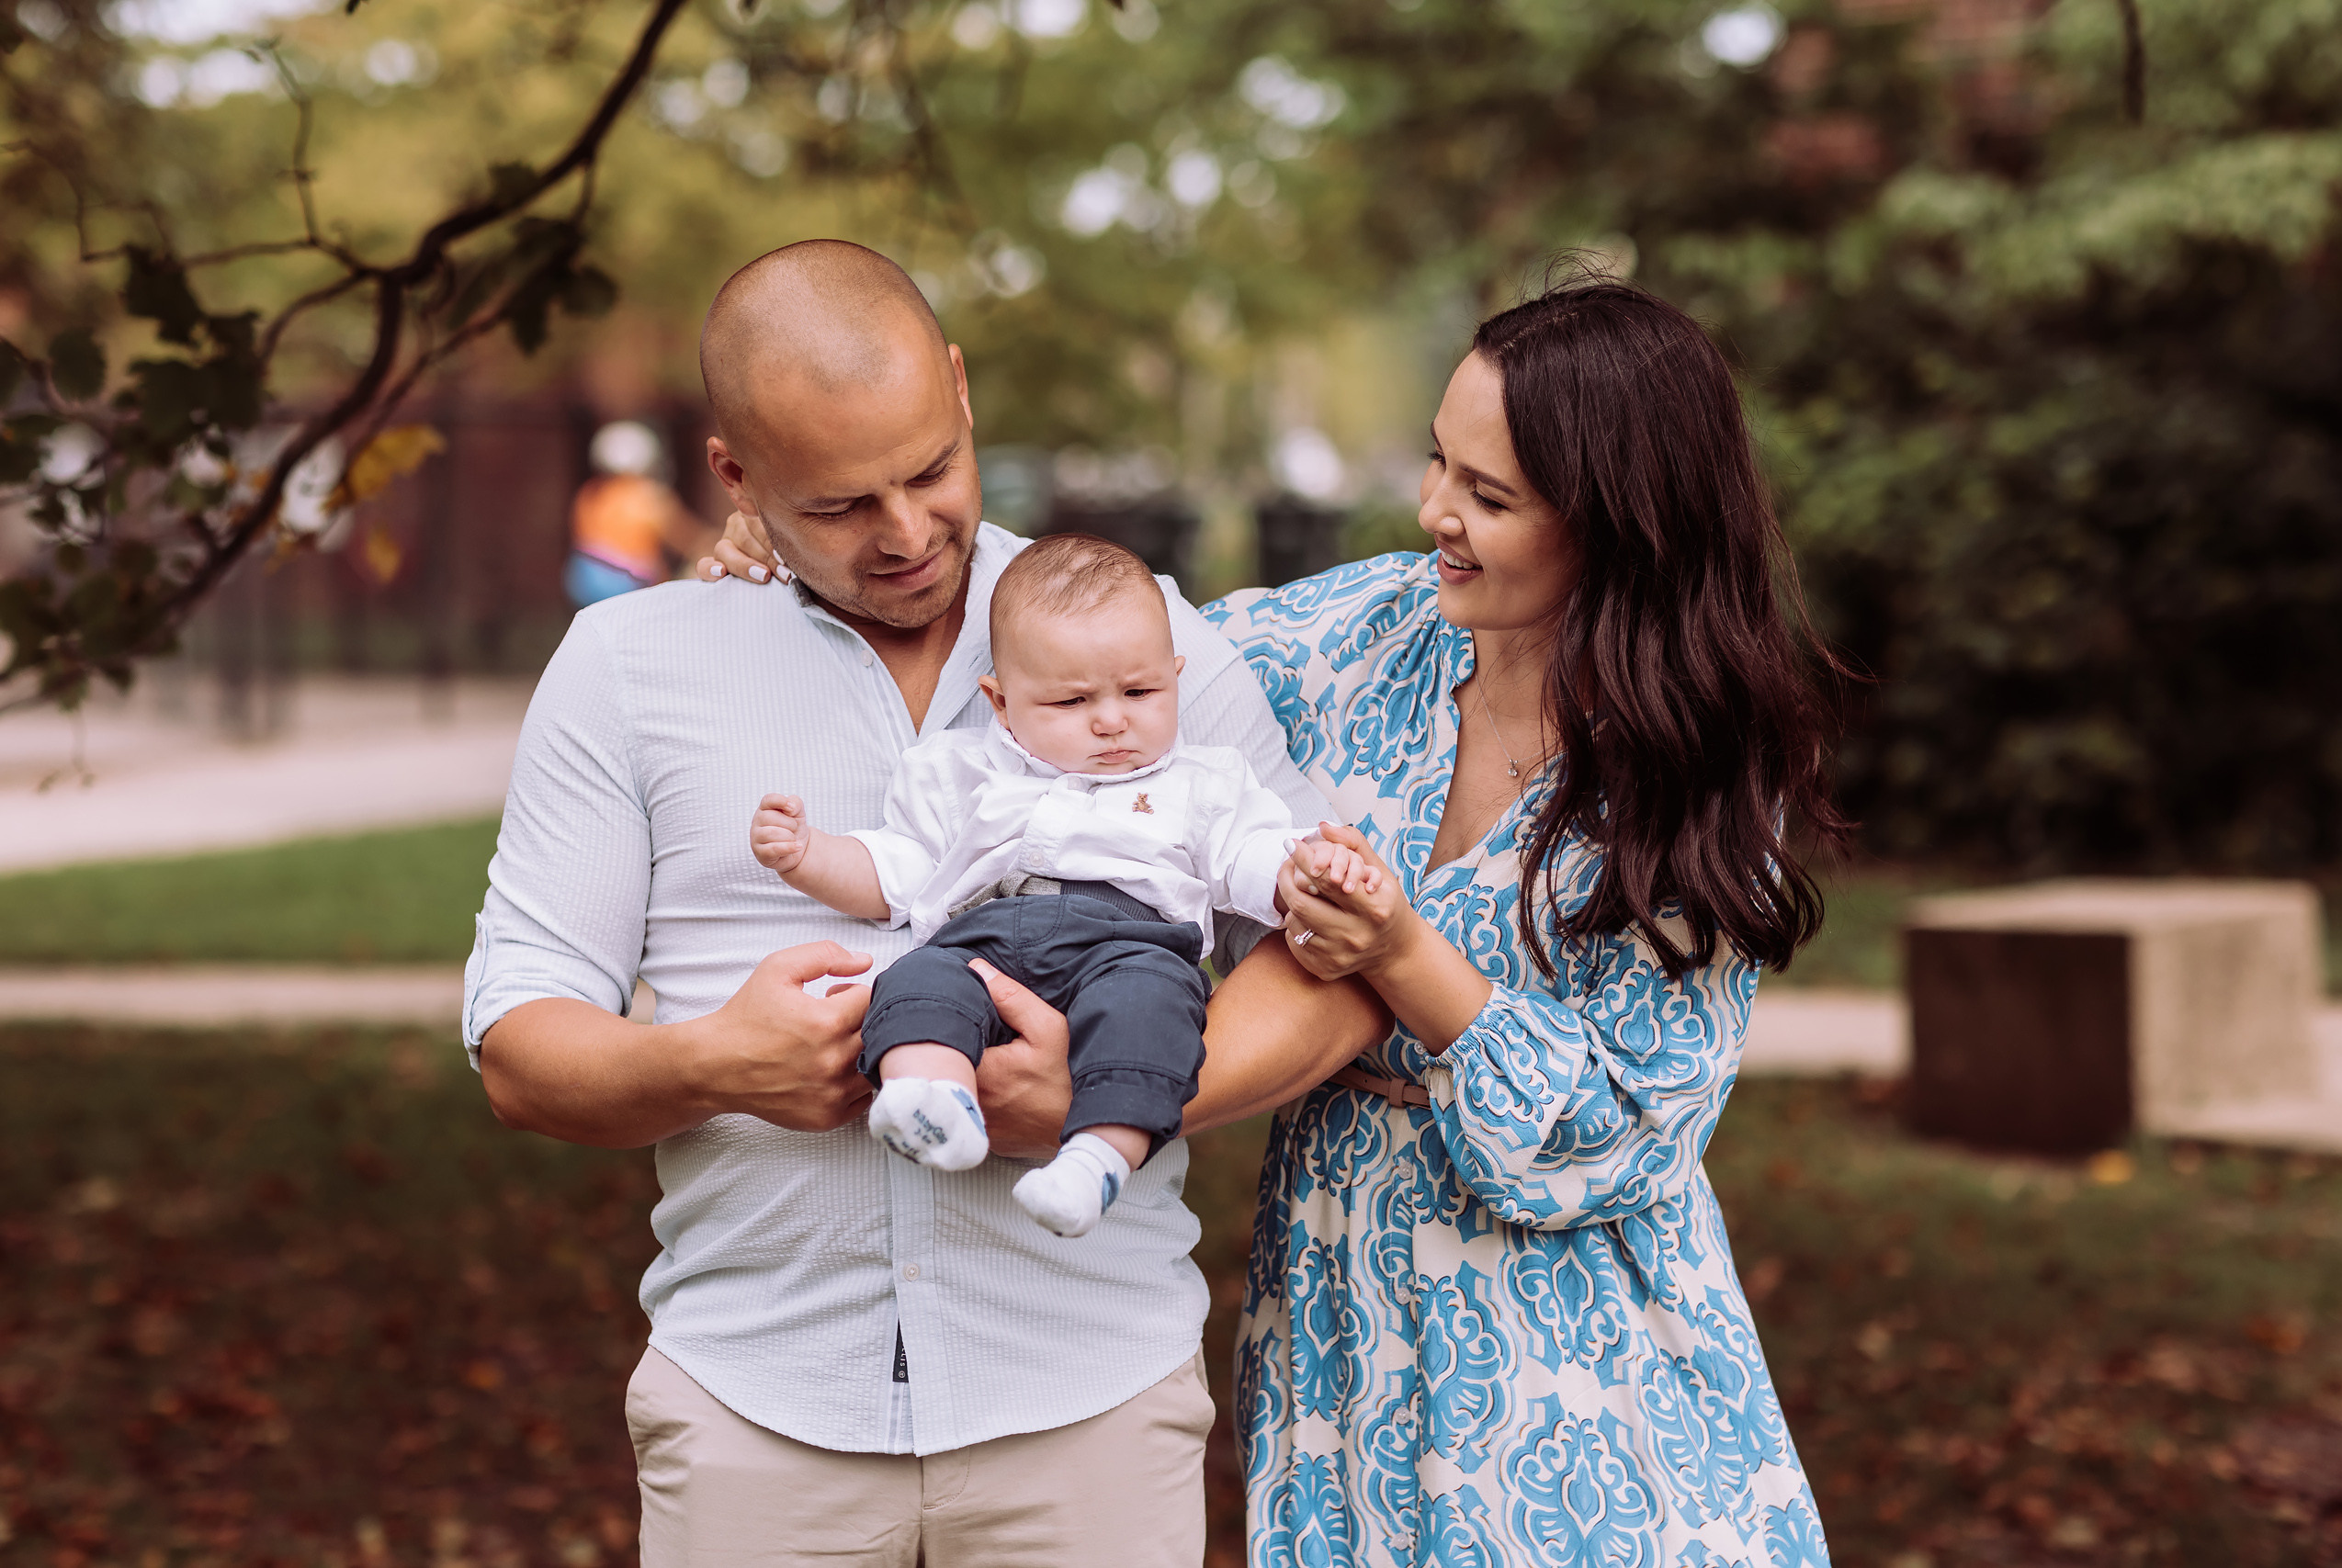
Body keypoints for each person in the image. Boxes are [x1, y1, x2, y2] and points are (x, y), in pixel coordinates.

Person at [698, 273, 1844, 1562]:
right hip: (1342, 1298)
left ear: (1623, 524)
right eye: (1437, 463)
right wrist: (807, 541)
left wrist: (1408, 958)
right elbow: (1093, 638)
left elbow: (1625, 1137)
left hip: (1582, 1354)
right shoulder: (1369, 631)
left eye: (1491, 496)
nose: (1435, 514)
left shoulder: (1696, 774)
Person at [468, 240, 1387, 1567]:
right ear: (735, 474)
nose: (904, 533)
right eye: (839, 503)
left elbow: (1333, 963)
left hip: (1089, 1402)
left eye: (929, 471)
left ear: (959, 392)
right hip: (755, 1412)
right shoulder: (630, 666)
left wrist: (1118, 1096)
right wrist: (716, 1060)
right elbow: (516, 1044)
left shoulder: (1144, 647)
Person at [751, 533, 1371, 1237]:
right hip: (983, 936)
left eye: (1140, 691)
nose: (1112, 720)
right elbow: (898, 869)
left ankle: (1099, 1158)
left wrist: (1300, 872)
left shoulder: (1202, 780)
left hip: (1135, 944)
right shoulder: (962, 772)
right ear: (1002, 703)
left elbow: (1246, 856)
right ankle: (932, 1094)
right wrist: (809, 854)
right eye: (1072, 701)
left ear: (1175, 675)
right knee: (918, 981)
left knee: (1154, 1020)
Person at [562, 420, 711, 607]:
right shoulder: (648, 495)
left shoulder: (588, 495)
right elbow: (687, 540)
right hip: (632, 589)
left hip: (582, 589)